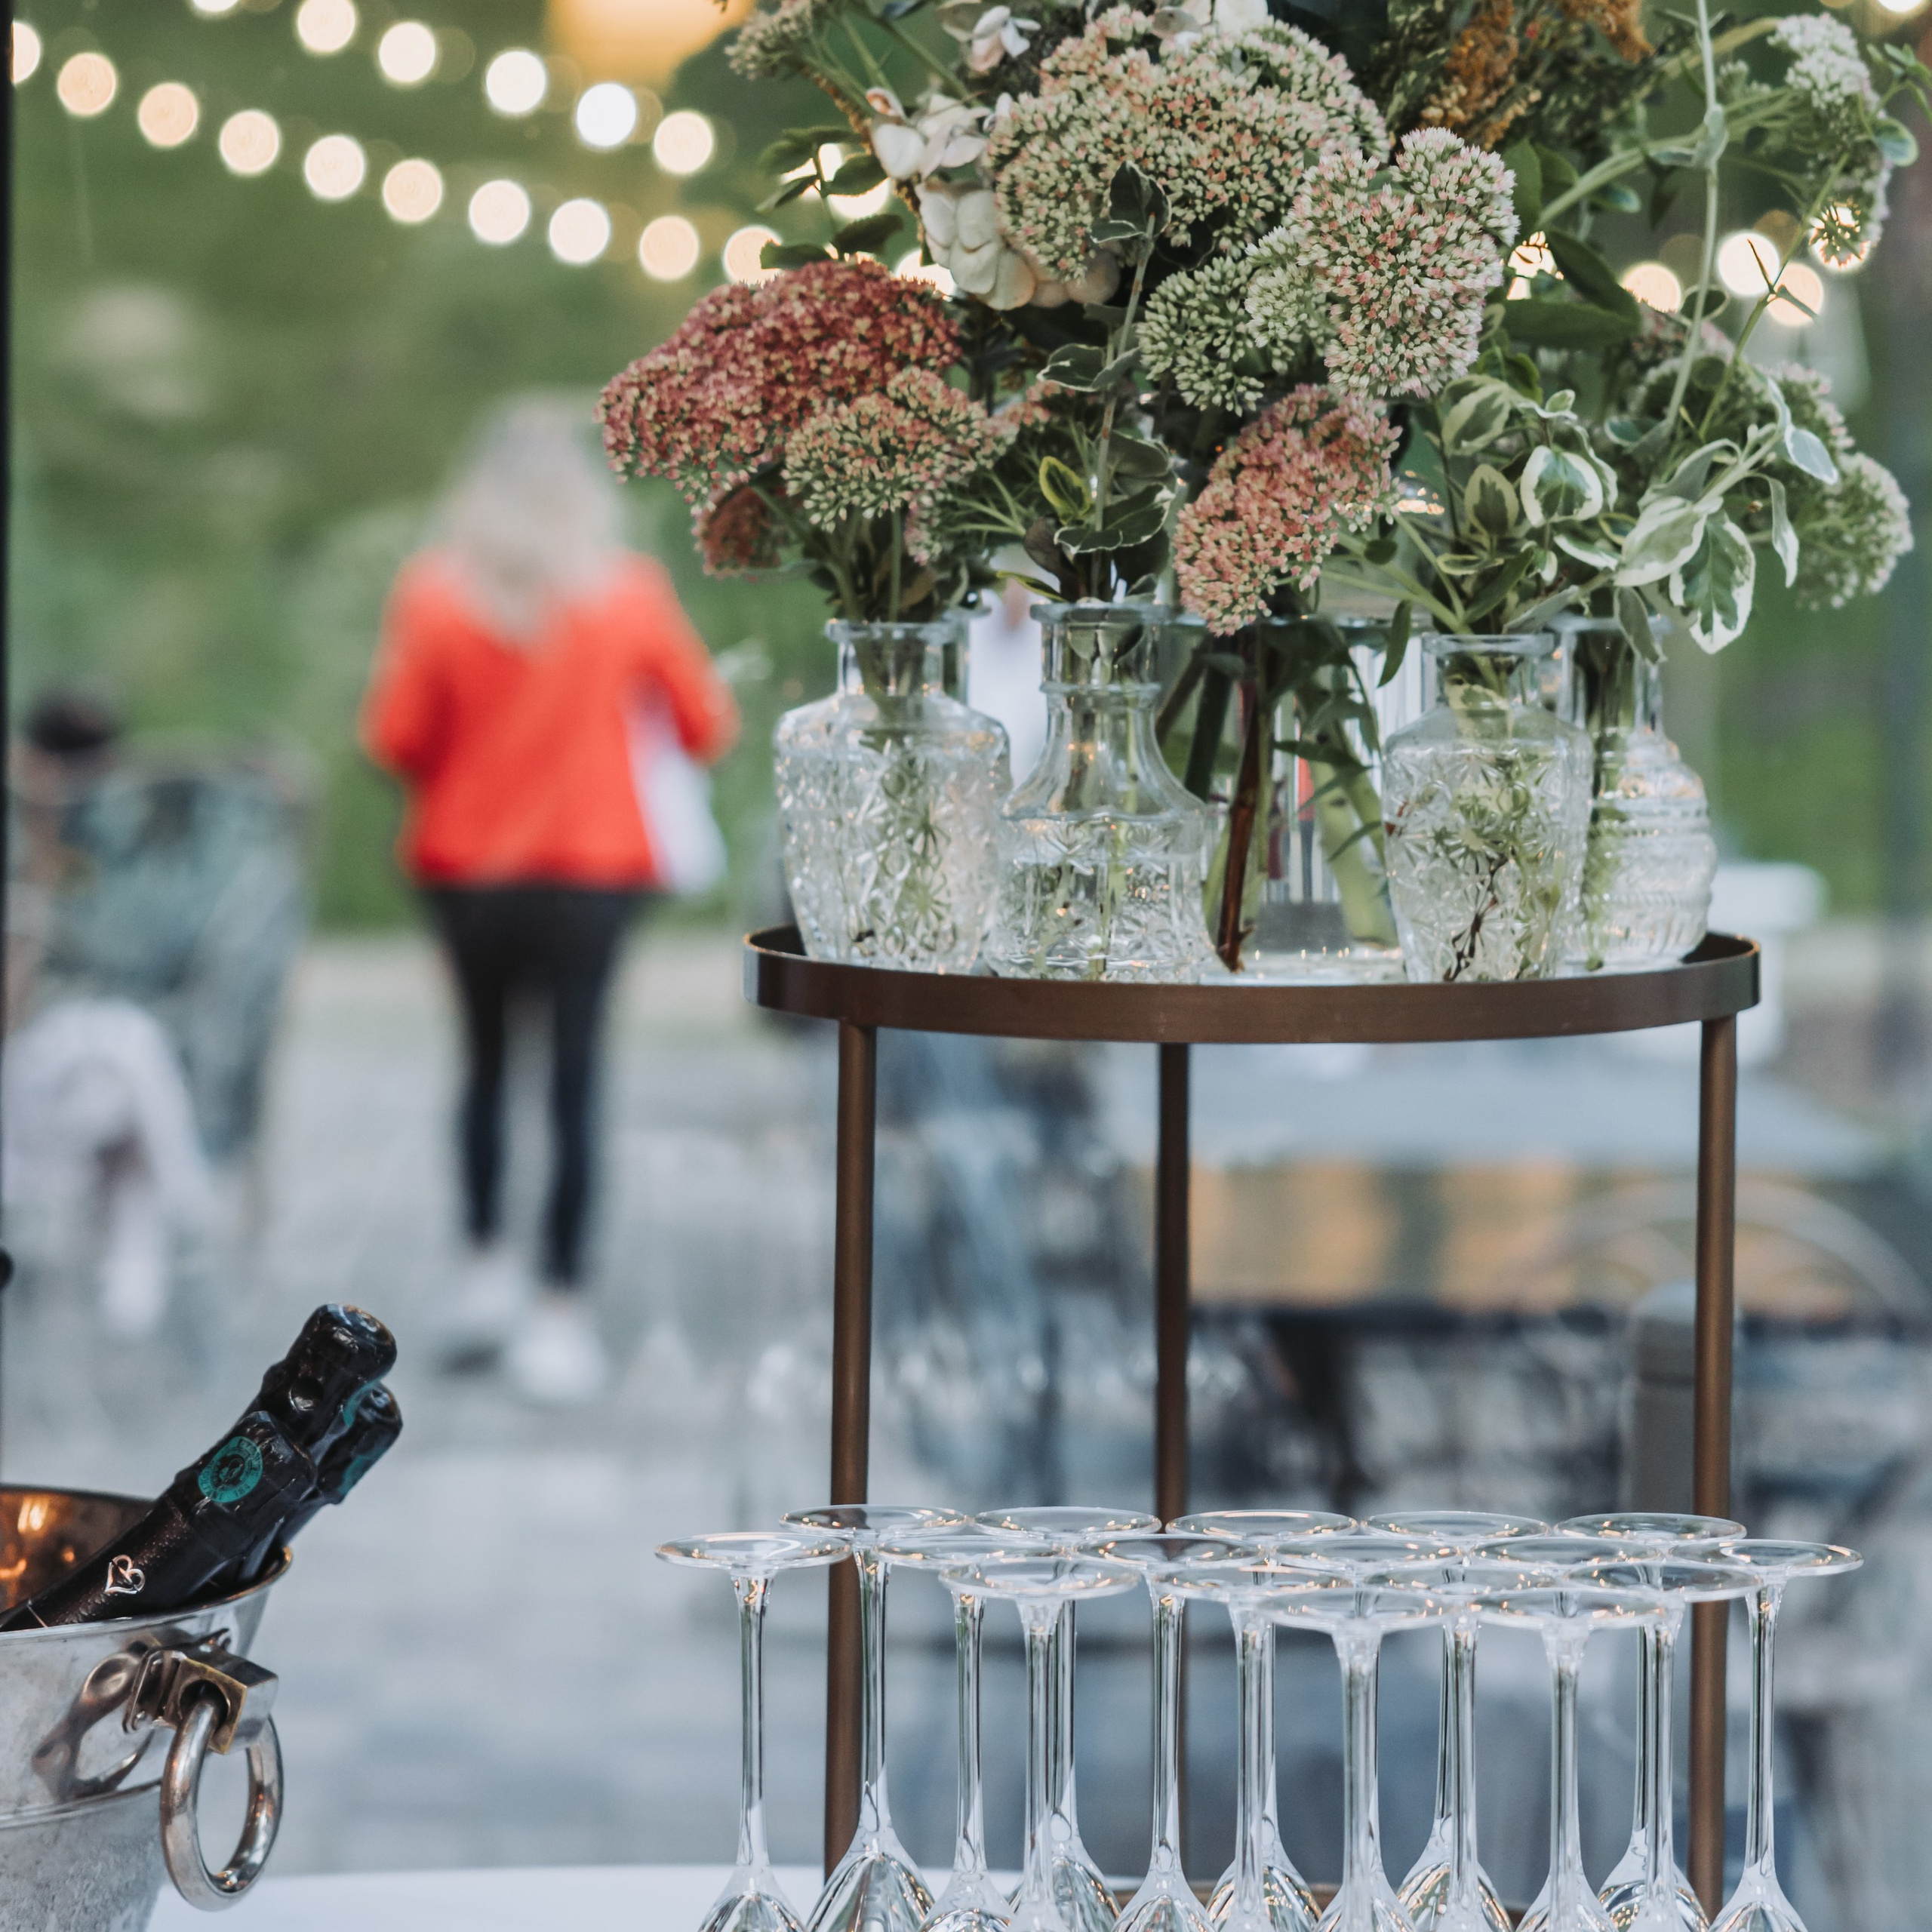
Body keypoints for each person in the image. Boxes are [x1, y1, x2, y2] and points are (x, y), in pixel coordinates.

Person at [361, 399, 738, 1406]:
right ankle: (559, 1312)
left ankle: (484, 1271)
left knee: (484, 1066)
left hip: (467, 870)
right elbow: (706, 722)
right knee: (576, 1079)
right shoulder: (627, 596)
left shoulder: (433, 596)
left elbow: (394, 737)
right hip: (591, 872)